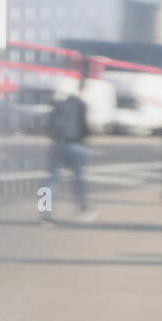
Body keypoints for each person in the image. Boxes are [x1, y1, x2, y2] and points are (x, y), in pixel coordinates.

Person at [43, 79, 92, 222]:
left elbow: (48, 125)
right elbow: (85, 127)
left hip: (57, 145)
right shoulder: (80, 104)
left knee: (51, 179)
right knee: (79, 179)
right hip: (75, 145)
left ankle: (45, 212)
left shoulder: (57, 104)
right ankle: (83, 209)